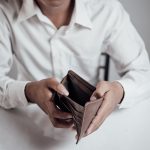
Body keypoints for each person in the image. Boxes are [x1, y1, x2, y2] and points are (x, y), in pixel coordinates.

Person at [0, 0, 150, 139]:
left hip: (92, 131)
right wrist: (29, 92)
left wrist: (119, 91)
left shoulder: (106, 9)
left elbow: (144, 73)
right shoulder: (4, 10)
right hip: (24, 126)